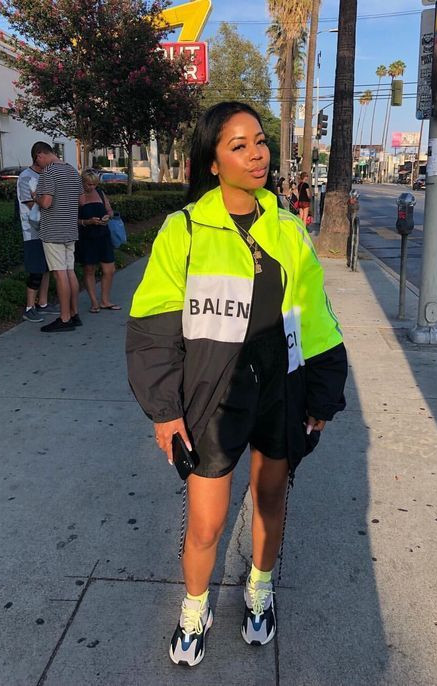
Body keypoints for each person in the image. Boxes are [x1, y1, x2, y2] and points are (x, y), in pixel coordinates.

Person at [126, 101, 347, 668]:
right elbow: (152, 326)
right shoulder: (184, 232)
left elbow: (315, 315)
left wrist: (322, 393)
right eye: (238, 145)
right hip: (212, 399)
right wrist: (164, 410)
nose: (257, 155)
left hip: (281, 391)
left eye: (260, 142)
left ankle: (259, 589)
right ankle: (195, 606)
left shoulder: (290, 230)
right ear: (213, 162)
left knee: (271, 500)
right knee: (207, 521)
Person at [32, 142, 83, 333]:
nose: (39, 165)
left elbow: (46, 202)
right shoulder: (71, 170)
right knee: (70, 271)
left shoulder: (49, 172)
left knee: (59, 273)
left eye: (38, 161)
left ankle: (64, 318)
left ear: (40, 155)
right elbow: (81, 199)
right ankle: (74, 313)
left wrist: (36, 196)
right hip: (70, 229)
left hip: (53, 231)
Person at [16, 157, 59, 323]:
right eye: (49, 157)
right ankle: (29, 307)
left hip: (47, 230)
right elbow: (30, 204)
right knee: (36, 270)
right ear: (39, 156)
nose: (52, 161)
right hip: (32, 231)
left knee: (46, 267)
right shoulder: (26, 177)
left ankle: (43, 302)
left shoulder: (46, 175)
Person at [77, 170, 120, 313]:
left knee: (109, 269)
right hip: (87, 237)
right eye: (89, 184)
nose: (92, 187)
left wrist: (108, 216)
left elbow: (109, 210)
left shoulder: (100, 193)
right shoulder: (77, 196)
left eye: (94, 184)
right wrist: (87, 222)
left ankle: (105, 300)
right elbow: (71, 219)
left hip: (103, 235)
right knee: (89, 270)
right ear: (82, 182)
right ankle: (94, 302)